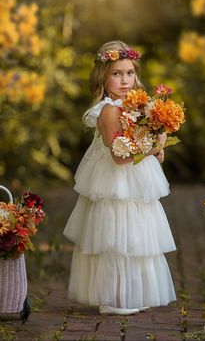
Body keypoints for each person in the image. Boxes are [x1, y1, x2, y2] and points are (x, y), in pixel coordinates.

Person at [63, 40, 176, 315]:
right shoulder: (110, 110)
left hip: (136, 179)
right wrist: (156, 146)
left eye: (129, 73)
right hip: (115, 180)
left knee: (136, 234)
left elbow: (139, 143)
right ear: (103, 75)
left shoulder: (134, 105)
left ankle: (133, 292)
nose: (125, 80)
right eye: (116, 73)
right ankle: (114, 295)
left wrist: (157, 133)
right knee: (115, 235)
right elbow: (120, 157)